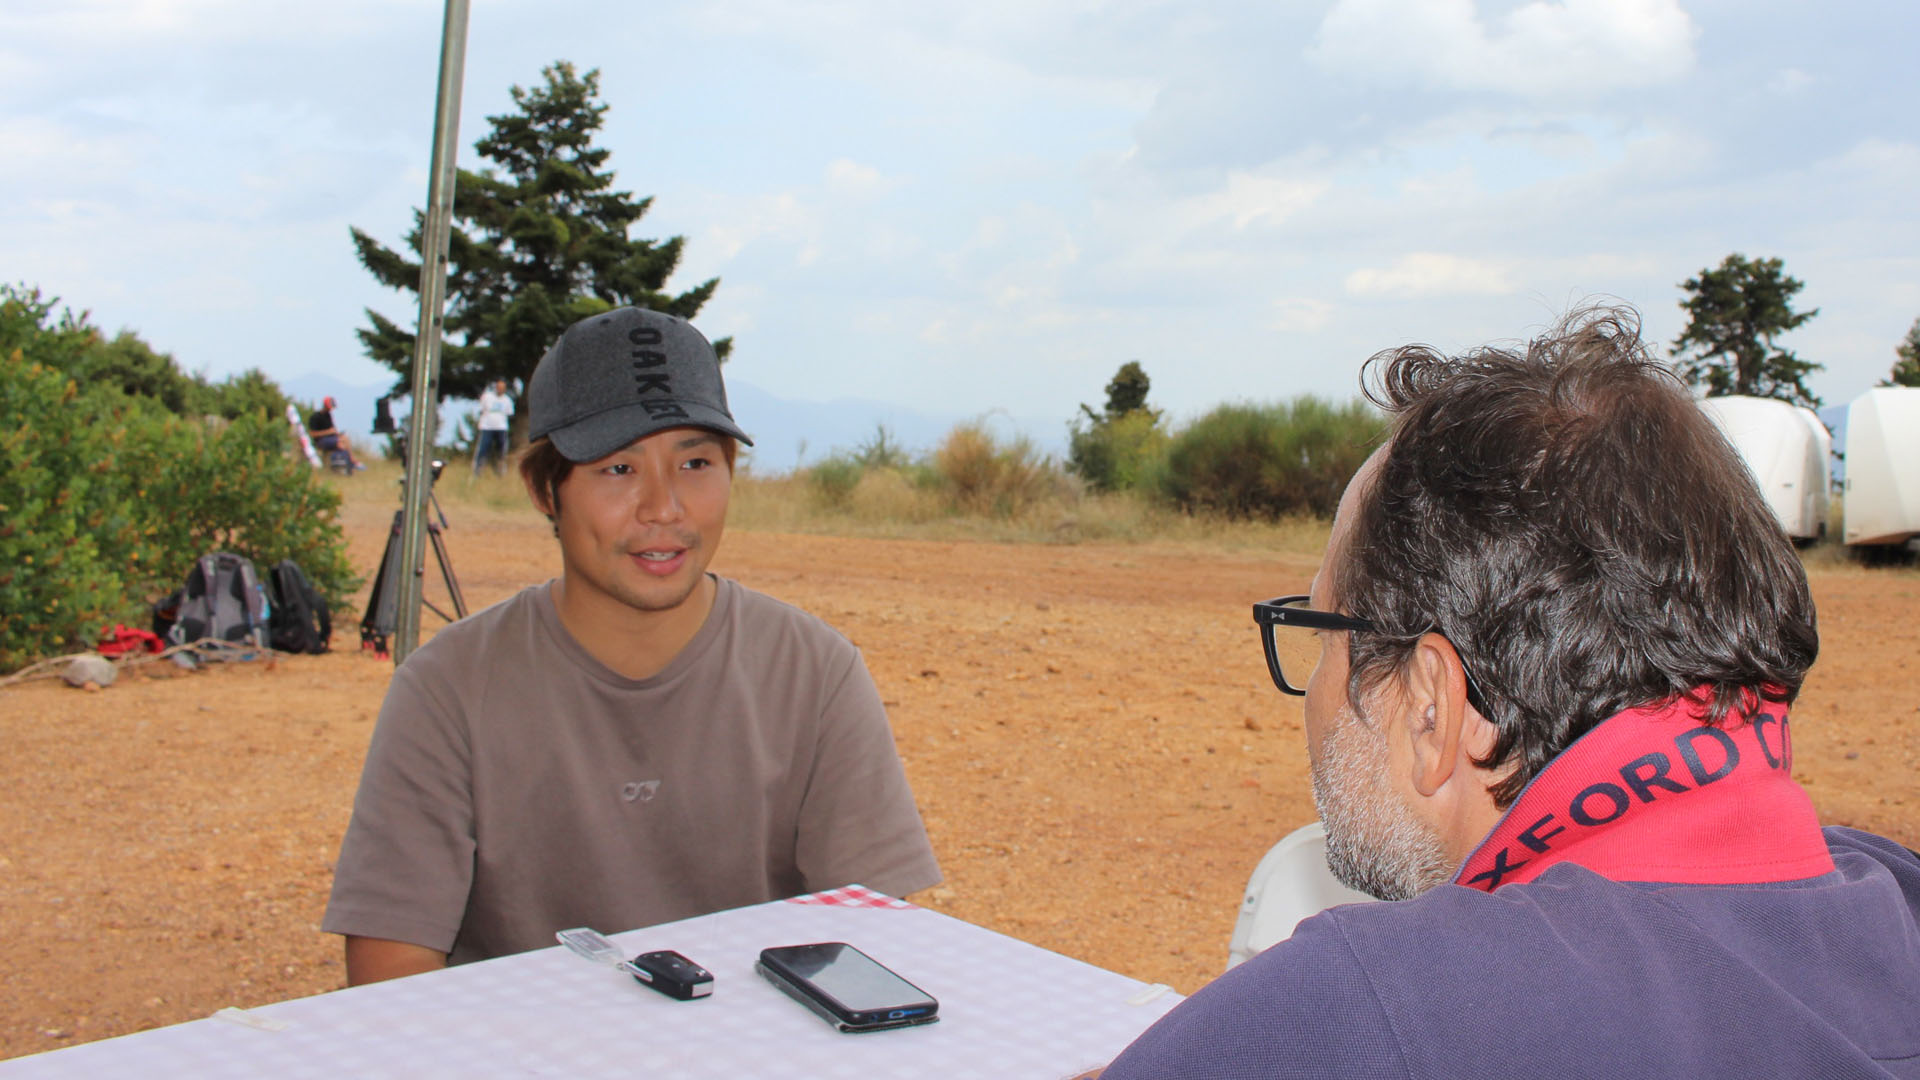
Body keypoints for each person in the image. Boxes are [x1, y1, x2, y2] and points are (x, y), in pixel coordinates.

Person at [1100, 307, 1920, 1078]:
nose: (1313, 693)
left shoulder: (1374, 1009)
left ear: (1432, 705)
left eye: (1325, 636)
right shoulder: (1893, 892)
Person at [323, 307, 942, 985]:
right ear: (543, 490)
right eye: (618, 468)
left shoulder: (813, 672)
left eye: (696, 462)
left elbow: (871, 947)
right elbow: (390, 972)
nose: (664, 508)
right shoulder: (448, 688)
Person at [307, 396, 362, 470]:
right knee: (340, 443)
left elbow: (332, 429)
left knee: (345, 439)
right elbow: (312, 434)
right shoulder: (315, 417)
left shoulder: (328, 415)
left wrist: (337, 434)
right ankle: (349, 463)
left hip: (331, 438)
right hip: (321, 441)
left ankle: (349, 462)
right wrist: (328, 432)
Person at [472, 378, 513, 477]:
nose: (500, 389)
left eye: (502, 388)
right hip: (487, 427)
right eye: (499, 387)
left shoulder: (507, 400)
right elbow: (481, 409)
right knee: (483, 449)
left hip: (501, 428)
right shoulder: (487, 397)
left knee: (501, 450)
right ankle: (477, 471)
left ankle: (500, 471)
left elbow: (510, 414)